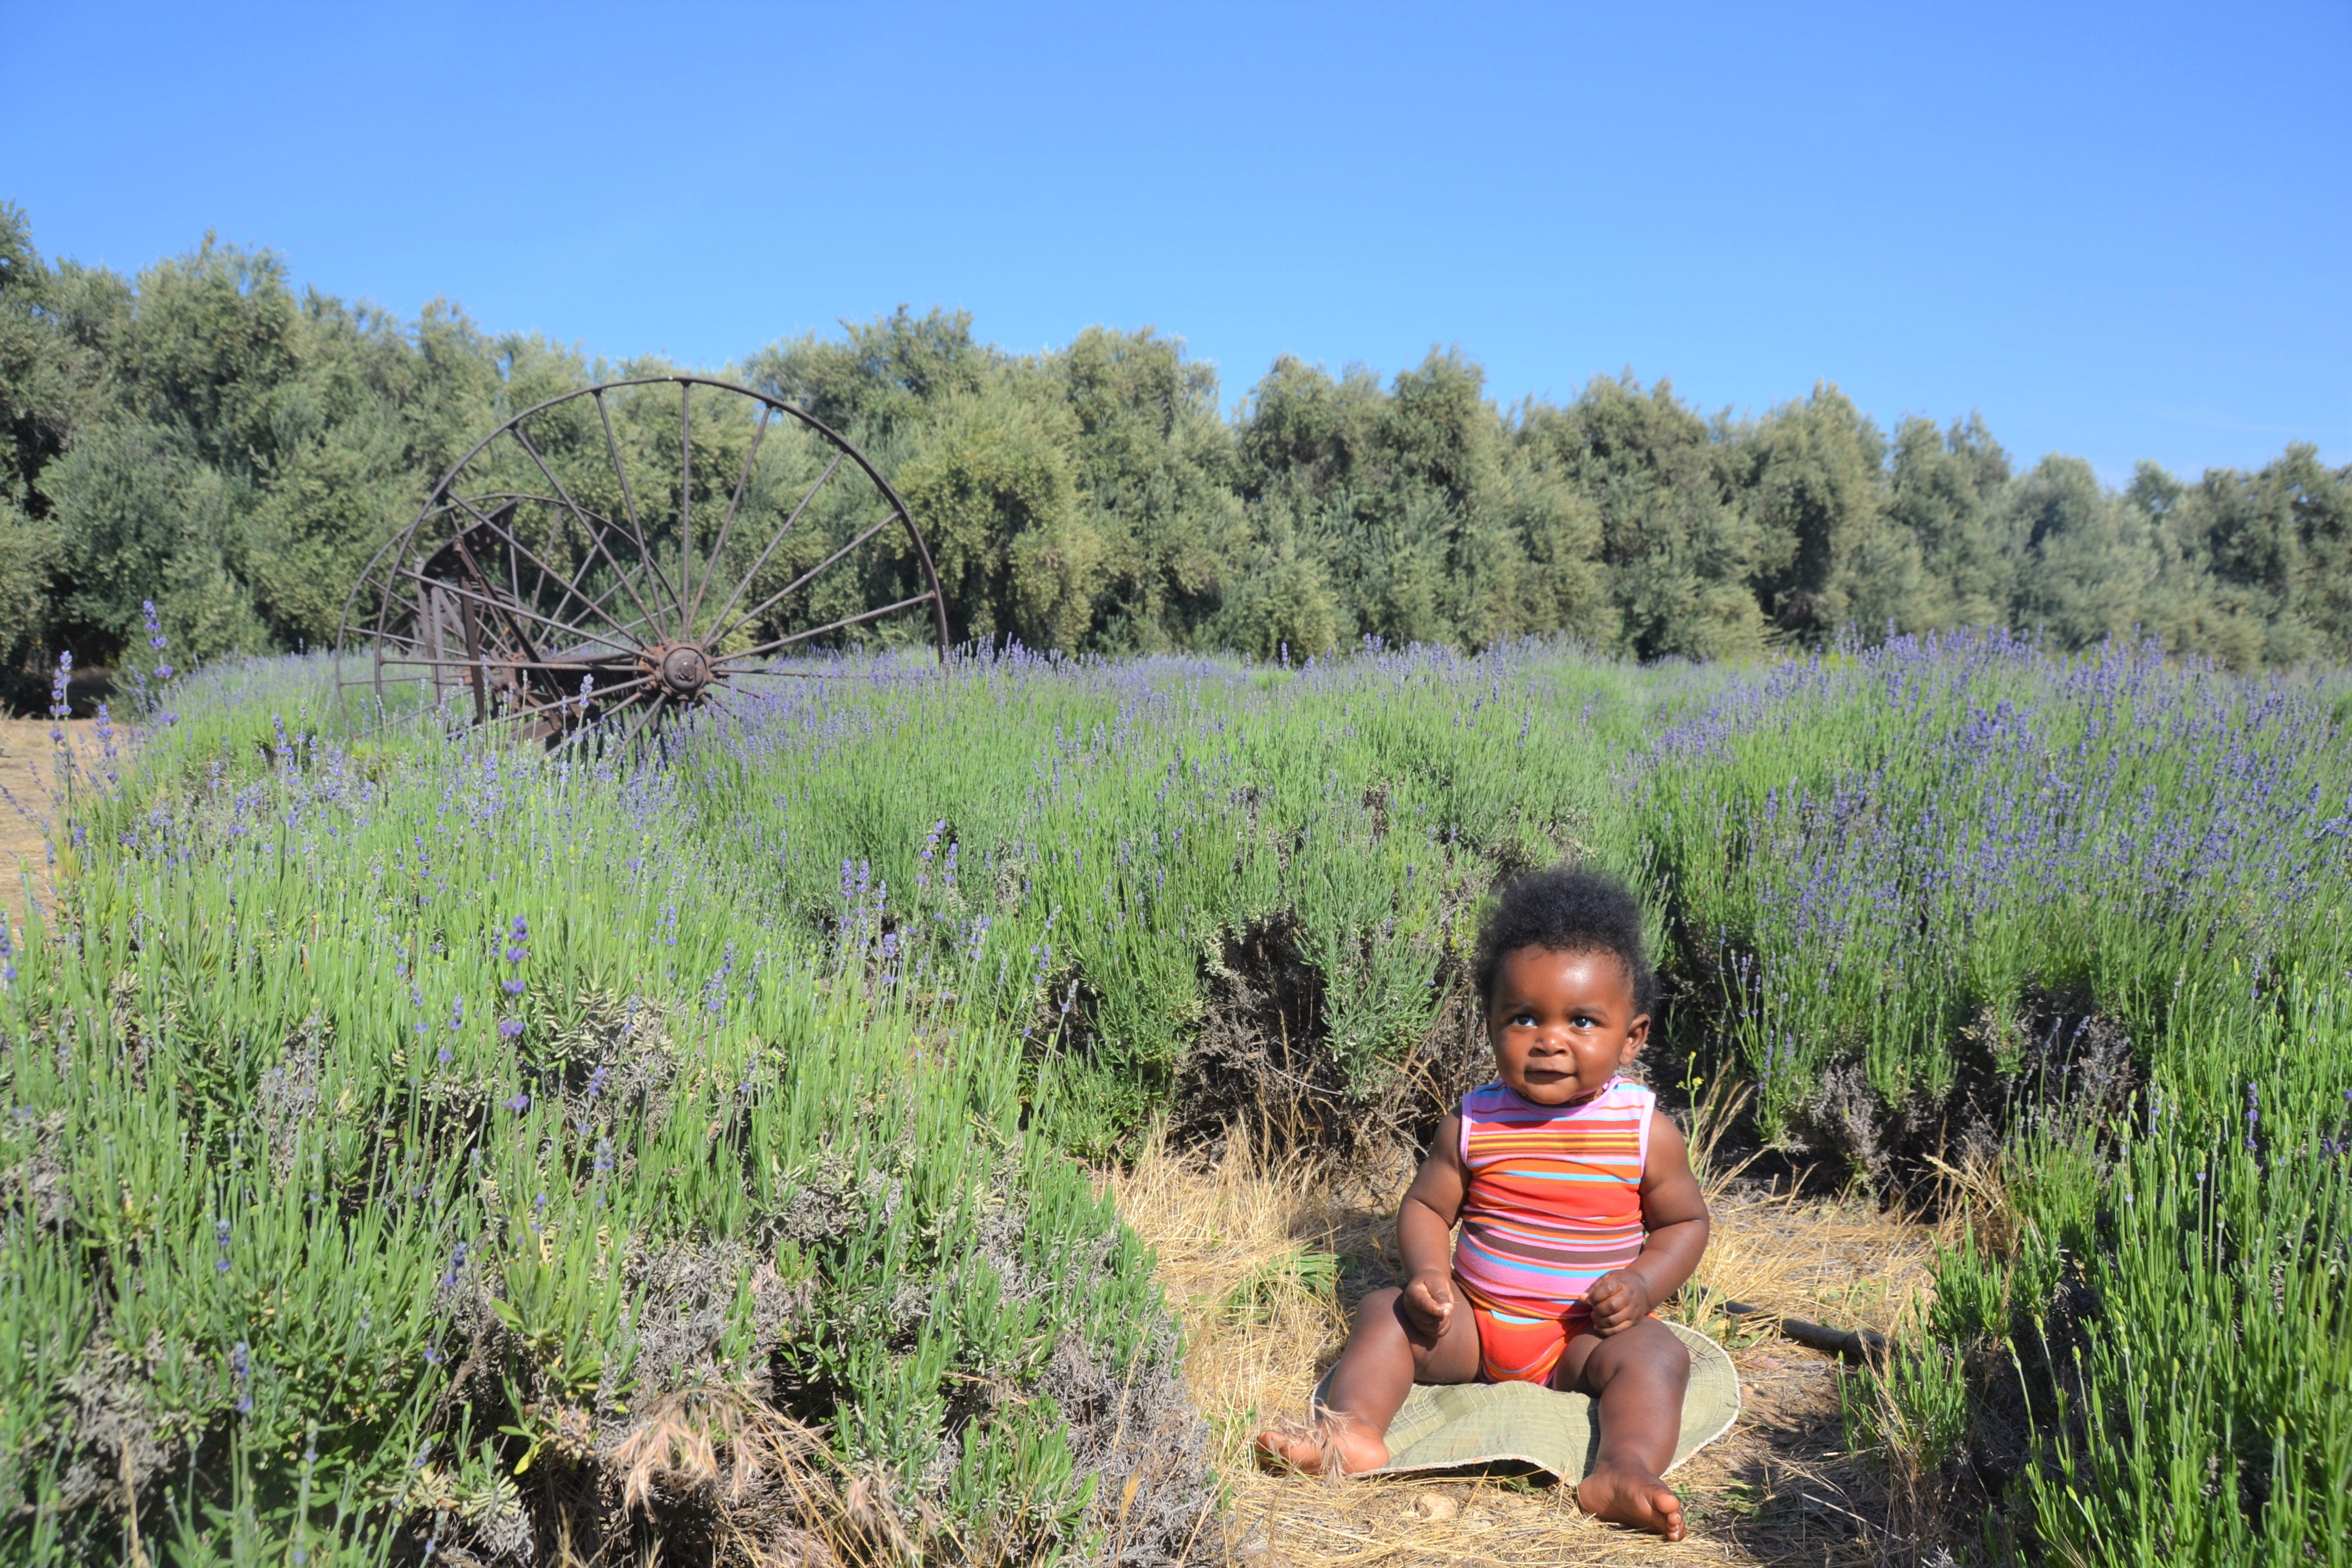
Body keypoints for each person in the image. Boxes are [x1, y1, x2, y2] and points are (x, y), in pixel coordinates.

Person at [1256, 865, 1710, 1540]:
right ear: (1493, 1023)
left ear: (1632, 1036)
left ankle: (1623, 1467)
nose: (1550, 1039)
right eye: (1523, 1017)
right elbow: (1427, 1210)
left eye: (1582, 1021)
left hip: (1583, 1340)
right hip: (1474, 1329)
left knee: (1661, 1358)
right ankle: (1349, 1434)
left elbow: (1685, 1223)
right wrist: (1430, 1278)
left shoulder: (1646, 1132)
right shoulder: (1474, 1122)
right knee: (1385, 1312)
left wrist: (1642, 1286)